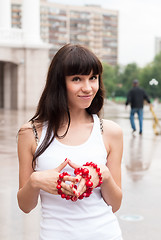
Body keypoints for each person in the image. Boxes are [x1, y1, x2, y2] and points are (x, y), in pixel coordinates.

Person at [17, 44, 123, 240]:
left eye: (93, 78)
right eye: (77, 79)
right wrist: (36, 181)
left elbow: (115, 204)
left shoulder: (110, 132)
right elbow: (25, 206)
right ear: (59, 83)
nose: (88, 87)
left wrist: (103, 174)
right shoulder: (30, 133)